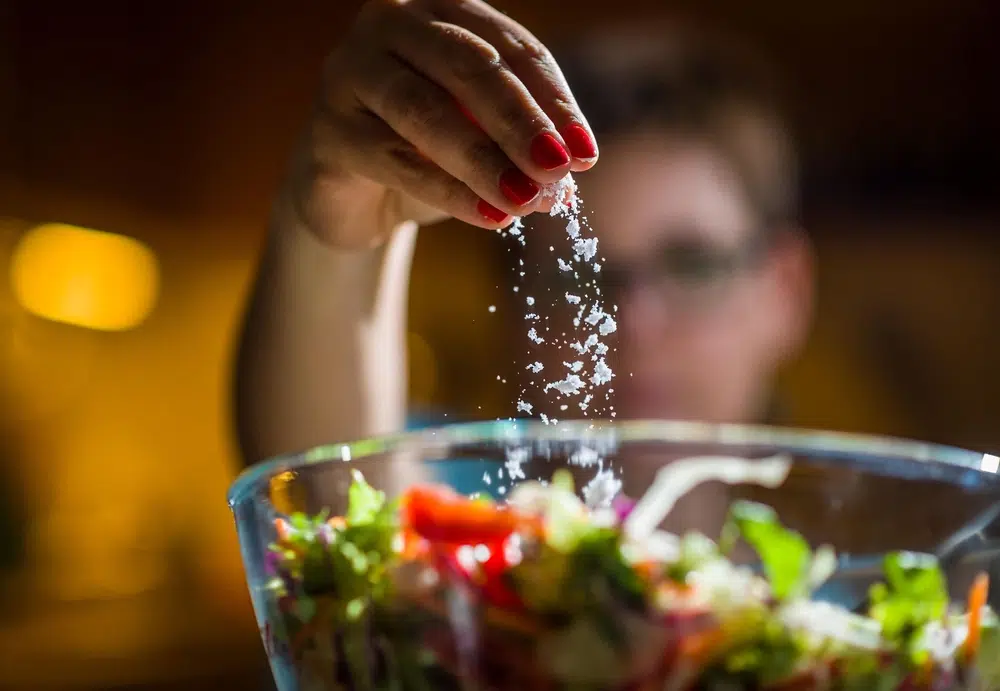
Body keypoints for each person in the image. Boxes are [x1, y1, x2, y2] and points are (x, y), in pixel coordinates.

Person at [232, 0, 814, 469]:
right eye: (573, 276)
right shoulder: (457, 513)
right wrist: (333, 238)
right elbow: (332, 488)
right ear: (511, 304)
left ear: (785, 290)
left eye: (692, 265)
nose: (633, 322)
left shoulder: (862, 600)